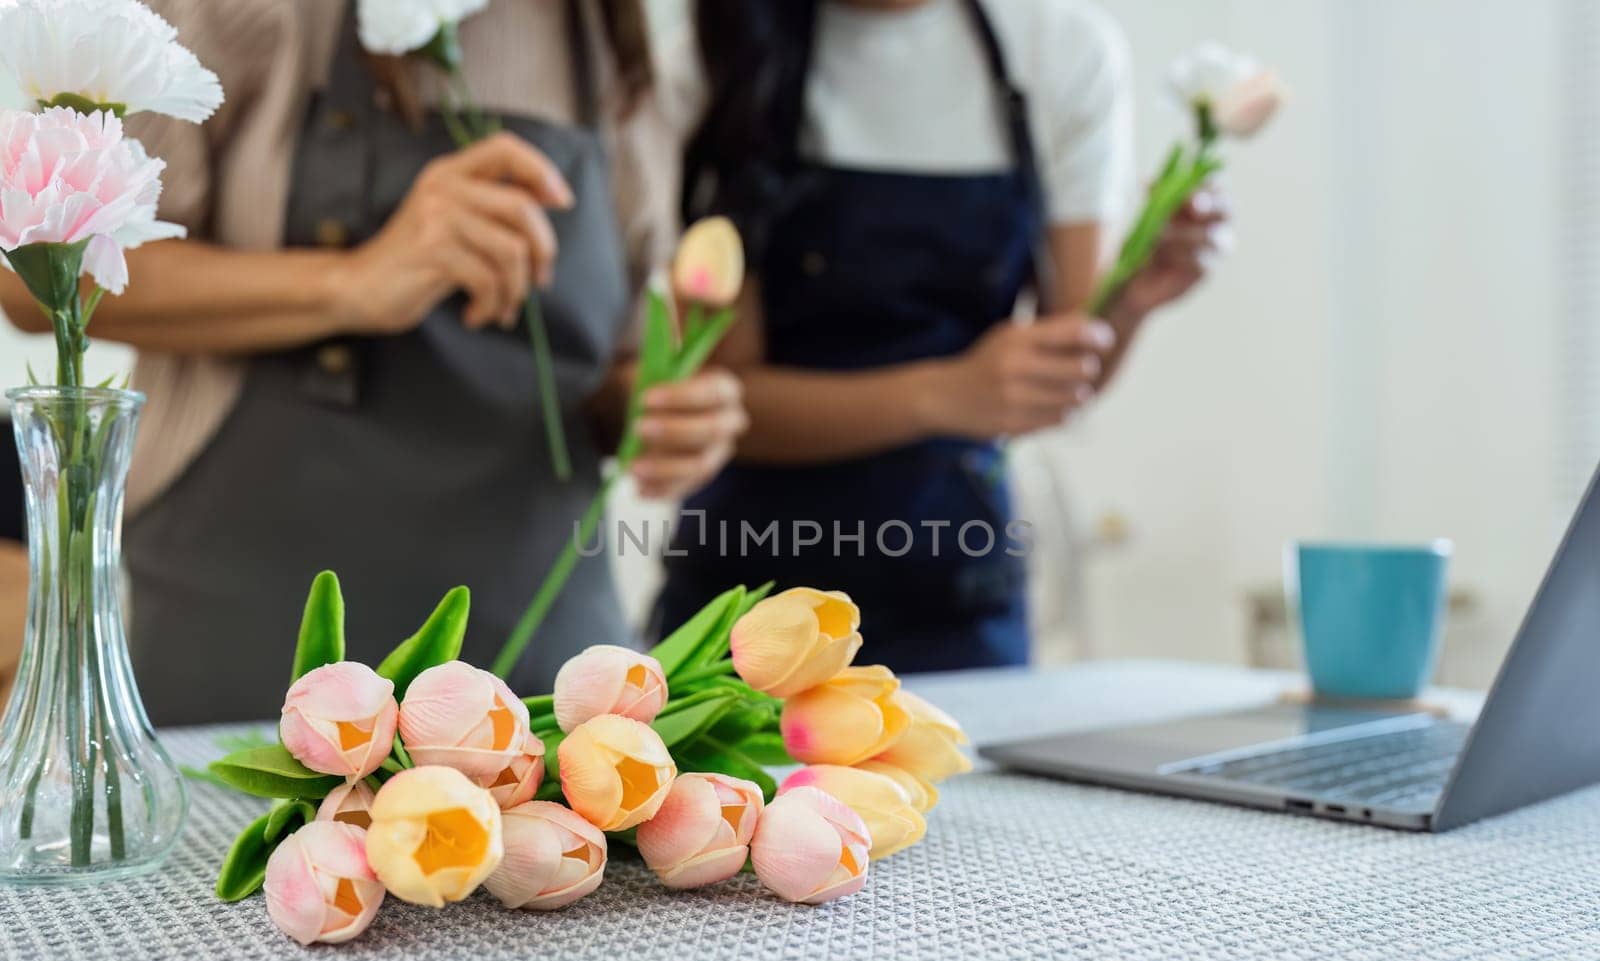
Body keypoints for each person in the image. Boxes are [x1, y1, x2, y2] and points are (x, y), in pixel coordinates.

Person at [0, 0, 748, 724]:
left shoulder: (617, 37)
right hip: (253, 636)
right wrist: (356, 281)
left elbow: (610, 357)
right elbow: (35, 270)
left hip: (544, 668)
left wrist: (653, 415)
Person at [654, 0, 1229, 673]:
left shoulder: (1059, 50)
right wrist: (947, 394)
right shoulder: (709, 51)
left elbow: (1065, 369)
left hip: (959, 598)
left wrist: (1134, 298)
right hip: (750, 605)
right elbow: (720, 403)